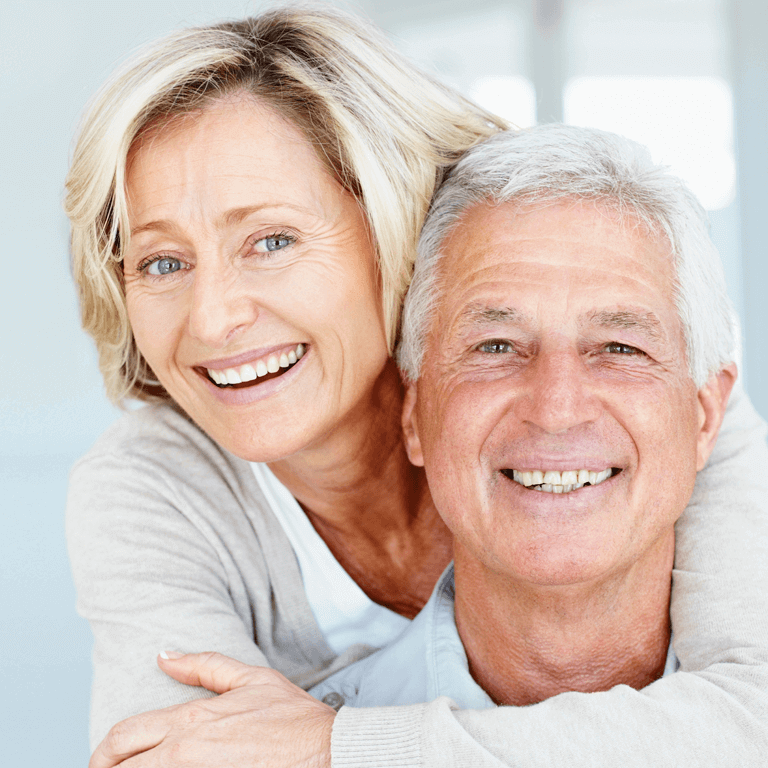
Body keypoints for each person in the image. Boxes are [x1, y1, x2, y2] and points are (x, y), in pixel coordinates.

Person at [63, 6, 768, 768]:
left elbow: (752, 718)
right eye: (162, 263)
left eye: (272, 241)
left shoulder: (639, 388)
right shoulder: (151, 492)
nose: (215, 318)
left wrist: (342, 745)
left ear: (395, 223)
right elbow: (177, 757)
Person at [311, 127, 764, 768]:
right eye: (494, 347)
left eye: (619, 348)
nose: (555, 410)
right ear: (414, 414)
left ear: (704, 417)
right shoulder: (288, 744)